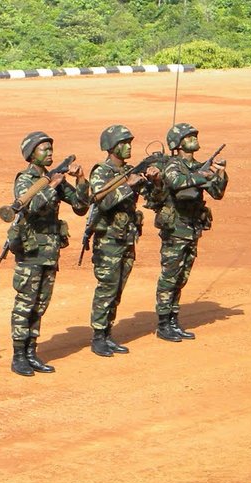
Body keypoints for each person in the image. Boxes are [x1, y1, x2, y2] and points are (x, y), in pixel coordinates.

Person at [5, 132, 87, 376]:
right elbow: (30, 205)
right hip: (31, 251)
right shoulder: (25, 179)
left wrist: (81, 179)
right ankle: (19, 355)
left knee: (40, 304)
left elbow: (81, 206)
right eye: (44, 149)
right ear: (31, 154)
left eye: (51, 148)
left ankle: (32, 352)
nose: (49, 152)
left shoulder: (54, 178)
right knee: (25, 305)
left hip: (49, 252)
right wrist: (52, 185)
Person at [153, 123, 228, 341]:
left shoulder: (198, 166)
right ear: (177, 144)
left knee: (182, 275)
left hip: (192, 228)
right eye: (189, 136)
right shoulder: (173, 165)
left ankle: (174, 319)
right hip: (175, 229)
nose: (194, 138)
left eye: (195, 135)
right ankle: (163, 323)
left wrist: (220, 173)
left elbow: (217, 192)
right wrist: (202, 175)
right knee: (169, 276)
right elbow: (176, 183)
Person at [86, 125, 154, 357]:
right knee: (106, 287)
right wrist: (129, 185)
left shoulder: (130, 171)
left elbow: (152, 198)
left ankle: (108, 333)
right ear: (111, 147)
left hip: (126, 238)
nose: (128, 147)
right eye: (123, 143)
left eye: (129, 142)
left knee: (117, 289)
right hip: (108, 241)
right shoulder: (101, 172)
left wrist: (152, 180)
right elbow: (102, 201)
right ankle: (98, 336)